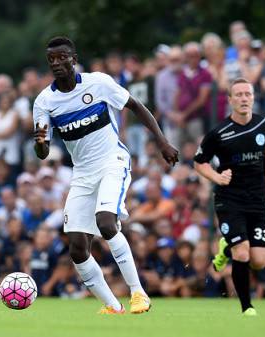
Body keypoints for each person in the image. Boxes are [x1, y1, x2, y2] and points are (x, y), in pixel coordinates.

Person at [33, 36, 178, 314]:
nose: (57, 63)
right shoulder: (44, 102)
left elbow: (136, 106)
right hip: (82, 174)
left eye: (62, 57)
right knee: (76, 247)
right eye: (51, 60)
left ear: (73, 59)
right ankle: (113, 306)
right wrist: (40, 143)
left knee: (106, 222)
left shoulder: (98, 83)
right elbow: (42, 151)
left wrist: (162, 142)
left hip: (113, 161)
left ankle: (139, 293)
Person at [194, 78, 265, 316]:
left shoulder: (264, 125)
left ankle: (224, 248)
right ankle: (247, 306)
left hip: (257, 200)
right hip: (229, 199)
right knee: (242, 252)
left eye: (248, 94)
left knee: (259, 261)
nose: (244, 98)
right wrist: (216, 177)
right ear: (230, 100)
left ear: (253, 98)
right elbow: (199, 163)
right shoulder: (219, 133)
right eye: (239, 95)